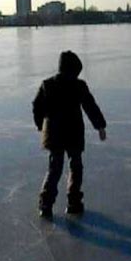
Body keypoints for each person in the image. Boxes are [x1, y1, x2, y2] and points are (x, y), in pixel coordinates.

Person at [32, 51, 107, 219]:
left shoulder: (47, 84)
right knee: (75, 167)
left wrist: (40, 125)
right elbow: (90, 106)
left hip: (54, 135)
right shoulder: (79, 85)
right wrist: (100, 126)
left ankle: (46, 205)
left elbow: (37, 106)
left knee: (54, 169)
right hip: (73, 133)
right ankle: (73, 203)